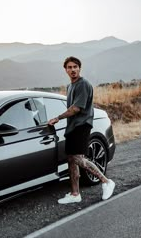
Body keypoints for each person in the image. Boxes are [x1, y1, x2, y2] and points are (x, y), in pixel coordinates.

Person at [48, 56, 115, 204]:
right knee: (71, 159)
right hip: (72, 127)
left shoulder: (83, 84)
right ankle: (75, 194)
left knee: (77, 158)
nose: (72, 70)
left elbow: (76, 108)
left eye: (75, 67)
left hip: (82, 125)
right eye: (69, 67)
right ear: (65, 70)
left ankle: (106, 181)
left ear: (79, 68)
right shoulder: (70, 86)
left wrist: (58, 118)